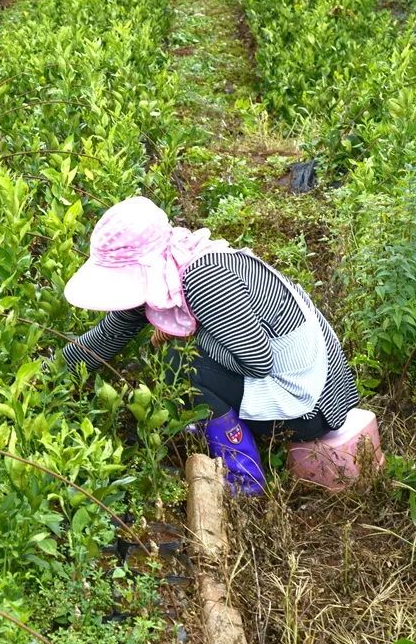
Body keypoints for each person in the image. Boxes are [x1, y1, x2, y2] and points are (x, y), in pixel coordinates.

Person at [62, 196, 359, 495]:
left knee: (179, 364)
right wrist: (51, 374)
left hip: (311, 409)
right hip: (307, 386)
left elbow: (257, 362)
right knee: (174, 355)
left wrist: (187, 336)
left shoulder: (203, 279)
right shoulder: (170, 266)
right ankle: (212, 432)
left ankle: (244, 478)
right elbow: (108, 336)